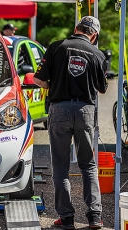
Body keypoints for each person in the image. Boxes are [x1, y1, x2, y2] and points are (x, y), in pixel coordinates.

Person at [33, 16, 108, 230]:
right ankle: (95, 216)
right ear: (94, 35)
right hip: (85, 111)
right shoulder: (98, 54)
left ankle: (66, 219)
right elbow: (102, 89)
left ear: (76, 28)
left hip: (59, 110)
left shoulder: (57, 47)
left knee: (60, 167)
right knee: (88, 165)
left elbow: (39, 80)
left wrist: (56, 83)